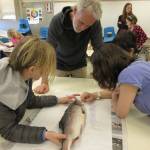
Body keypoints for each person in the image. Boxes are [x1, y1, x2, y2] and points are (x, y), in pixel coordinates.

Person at [0, 36, 76, 144]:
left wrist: (57, 100)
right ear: (32, 69)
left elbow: (30, 101)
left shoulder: (25, 75)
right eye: (43, 70)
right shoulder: (4, 91)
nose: (45, 73)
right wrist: (43, 134)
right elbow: (8, 130)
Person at [34, 0, 103, 94]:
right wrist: (44, 82)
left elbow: (99, 50)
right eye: (81, 22)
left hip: (80, 64)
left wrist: (103, 77)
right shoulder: (57, 21)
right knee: (58, 93)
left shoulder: (94, 22)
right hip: (59, 65)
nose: (83, 28)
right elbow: (48, 52)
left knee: (81, 93)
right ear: (74, 10)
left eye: (88, 26)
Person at [81, 43, 150, 118]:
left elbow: (121, 113)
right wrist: (95, 95)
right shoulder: (136, 63)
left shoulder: (128, 75)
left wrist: (114, 98)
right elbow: (121, 92)